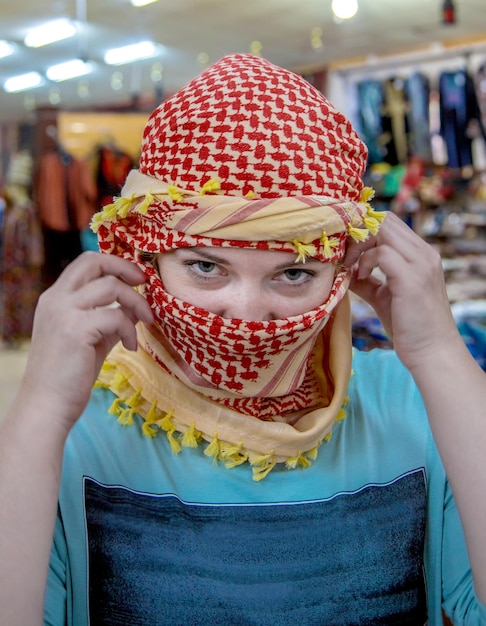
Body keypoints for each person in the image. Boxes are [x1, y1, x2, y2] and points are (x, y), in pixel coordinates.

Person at [1, 54, 486, 626]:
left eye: (293, 273)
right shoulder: (77, 431)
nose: (247, 314)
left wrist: (439, 355)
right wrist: (39, 413)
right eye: (206, 266)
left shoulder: (413, 407)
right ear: (145, 258)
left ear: (343, 273)